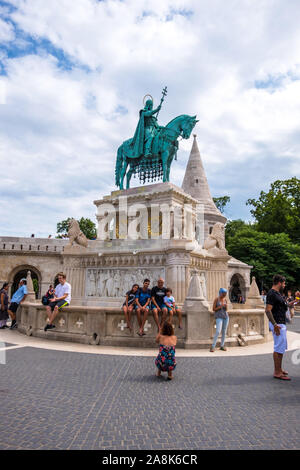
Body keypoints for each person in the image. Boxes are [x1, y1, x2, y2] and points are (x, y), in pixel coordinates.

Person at [265, 275, 294, 381]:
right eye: (284, 283)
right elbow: (268, 310)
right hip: (277, 324)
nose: (285, 285)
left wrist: (289, 303)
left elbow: (281, 306)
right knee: (278, 348)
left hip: (280, 323)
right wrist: (275, 324)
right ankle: (277, 372)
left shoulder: (277, 294)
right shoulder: (272, 293)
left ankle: (279, 369)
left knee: (281, 347)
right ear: (279, 283)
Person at [210, 288, 229, 352]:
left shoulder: (225, 299)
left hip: (225, 317)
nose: (225, 295)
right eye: (224, 294)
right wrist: (220, 306)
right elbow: (213, 309)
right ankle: (213, 346)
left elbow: (226, 310)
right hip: (219, 317)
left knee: (224, 332)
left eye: (225, 294)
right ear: (220, 293)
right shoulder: (216, 299)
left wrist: (226, 306)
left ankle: (222, 345)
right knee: (218, 331)